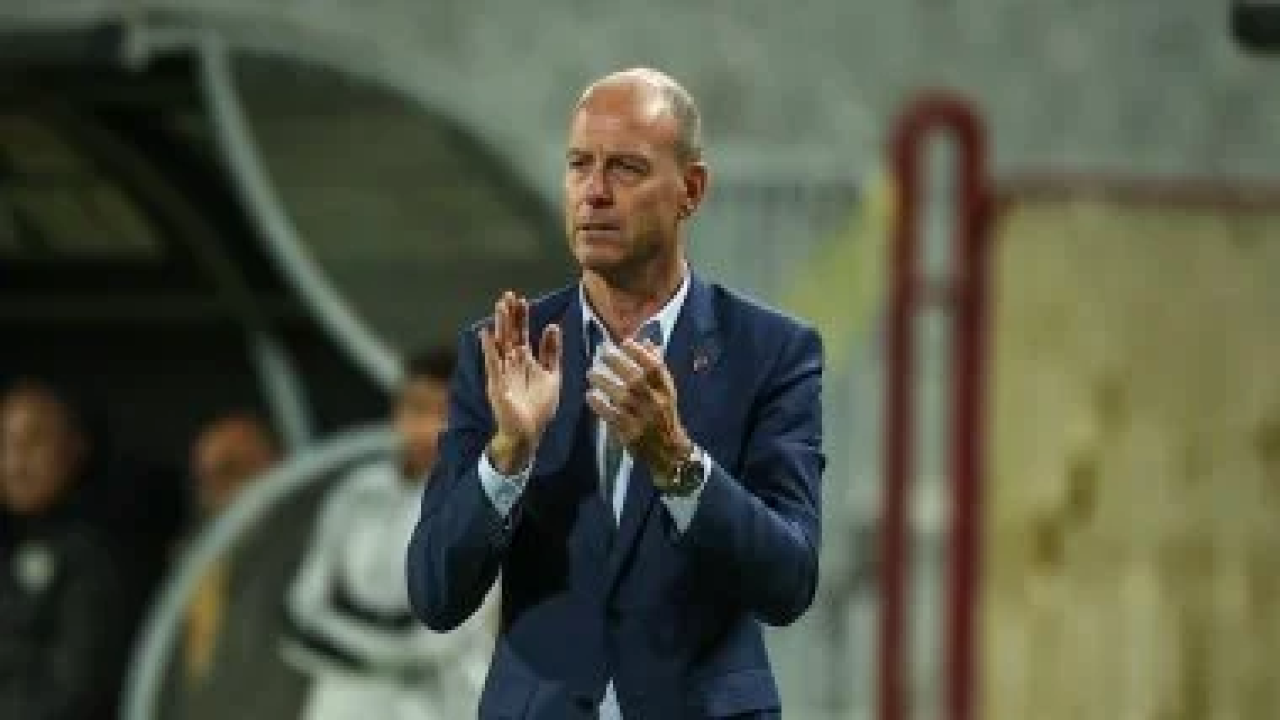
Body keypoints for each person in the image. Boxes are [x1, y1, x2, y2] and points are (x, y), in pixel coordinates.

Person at [406, 67, 825, 719]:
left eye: (626, 168)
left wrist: (678, 463)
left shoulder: (771, 352)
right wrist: (508, 455)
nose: (594, 192)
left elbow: (788, 582)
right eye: (579, 165)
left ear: (691, 190)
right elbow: (435, 595)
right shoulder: (504, 350)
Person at [282, 347, 495, 720]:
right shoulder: (355, 492)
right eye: (416, 409)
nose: (427, 428)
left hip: (440, 701)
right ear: (397, 412)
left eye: (444, 412)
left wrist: (343, 635)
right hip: (345, 693)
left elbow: (438, 641)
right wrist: (376, 639)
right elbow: (305, 603)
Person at [0, 380, 134, 720]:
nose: (17, 461)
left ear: (76, 447)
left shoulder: (95, 556)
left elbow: (74, 691)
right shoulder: (11, 542)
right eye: (6, 443)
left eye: (34, 441)